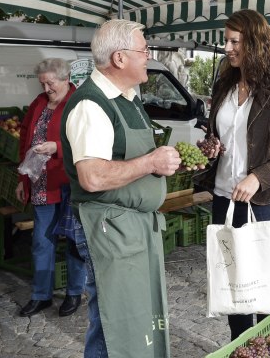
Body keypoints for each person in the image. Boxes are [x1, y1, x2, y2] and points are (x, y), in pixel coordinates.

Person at [62, 19, 181, 357]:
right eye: (143, 50)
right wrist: (151, 163)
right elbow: (93, 177)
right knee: (113, 320)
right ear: (119, 58)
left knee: (137, 315)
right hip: (109, 226)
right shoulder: (91, 105)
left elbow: (133, 159)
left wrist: (165, 162)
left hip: (132, 226)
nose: (148, 56)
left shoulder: (128, 97)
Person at [194, 9, 270, 340]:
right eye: (226, 41)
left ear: (255, 43)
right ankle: (241, 347)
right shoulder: (224, 87)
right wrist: (212, 146)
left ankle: (263, 346)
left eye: (234, 42)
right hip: (223, 199)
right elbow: (224, 135)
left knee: (260, 291)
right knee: (234, 291)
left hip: (263, 202)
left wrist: (259, 176)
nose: (228, 48)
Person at [15, 58, 87, 318]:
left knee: (74, 242)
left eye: (50, 83)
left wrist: (57, 147)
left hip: (72, 183)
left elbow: (87, 140)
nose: (46, 88)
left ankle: (74, 293)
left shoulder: (81, 103)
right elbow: (25, 138)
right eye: (42, 83)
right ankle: (41, 296)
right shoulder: (38, 103)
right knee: (41, 242)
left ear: (66, 78)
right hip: (41, 184)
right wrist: (23, 180)